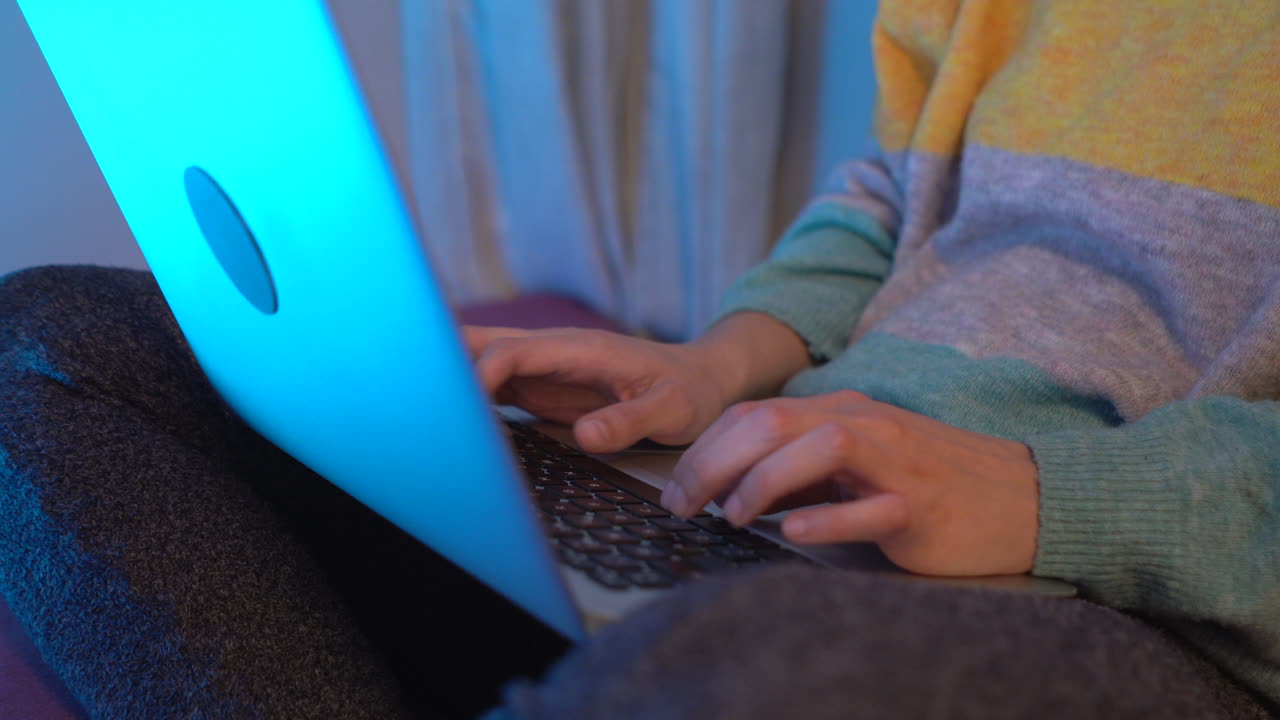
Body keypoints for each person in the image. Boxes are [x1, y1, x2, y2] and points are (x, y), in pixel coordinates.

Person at [0, 1, 1275, 718]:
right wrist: (713, 365)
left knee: (739, 672)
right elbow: (888, 198)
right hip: (775, 488)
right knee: (55, 345)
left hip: (1142, 606)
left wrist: (1049, 501)